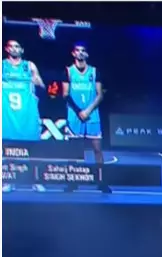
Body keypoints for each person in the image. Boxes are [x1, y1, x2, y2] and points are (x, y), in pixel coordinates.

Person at [63, 42, 111, 193]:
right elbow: (65, 94)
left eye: (83, 50)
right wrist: (79, 112)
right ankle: (72, 182)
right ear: (73, 53)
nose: (80, 53)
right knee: (73, 151)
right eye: (77, 50)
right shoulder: (68, 71)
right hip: (74, 116)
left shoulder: (94, 71)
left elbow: (100, 94)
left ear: (87, 54)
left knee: (97, 149)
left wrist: (88, 110)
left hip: (92, 115)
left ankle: (101, 181)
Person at [1, 39, 43, 142]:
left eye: (17, 46)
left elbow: (42, 88)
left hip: (26, 118)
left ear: (22, 50)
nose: (14, 49)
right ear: (6, 49)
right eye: (11, 46)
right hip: (6, 119)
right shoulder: (2, 66)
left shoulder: (29, 66)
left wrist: (38, 84)